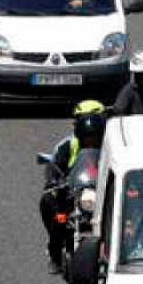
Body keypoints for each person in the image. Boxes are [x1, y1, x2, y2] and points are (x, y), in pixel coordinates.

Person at [39, 101, 108, 268]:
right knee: (58, 214)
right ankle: (55, 252)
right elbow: (53, 166)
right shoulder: (66, 145)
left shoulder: (111, 144)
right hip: (72, 194)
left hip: (104, 193)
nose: (89, 134)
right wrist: (54, 181)